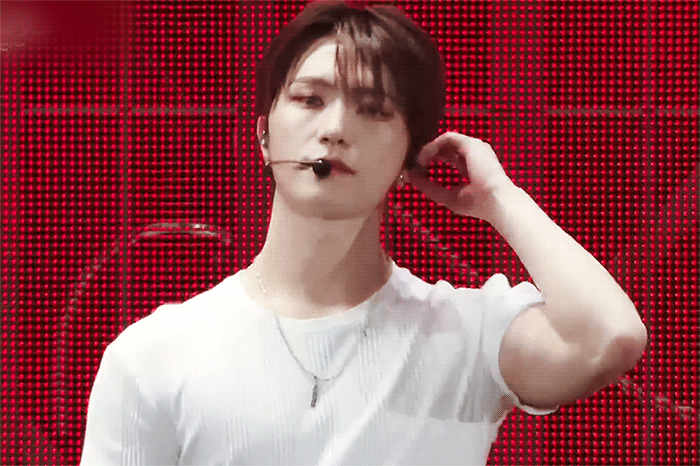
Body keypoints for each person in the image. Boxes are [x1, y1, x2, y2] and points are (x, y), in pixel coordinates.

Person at [80, 1, 647, 465]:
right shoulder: (154, 356)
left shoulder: (465, 335)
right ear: (264, 136)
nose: (334, 129)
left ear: (409, 156)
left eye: (373, 110)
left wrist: (501, 199)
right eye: (309, 99)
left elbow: (611, 337)